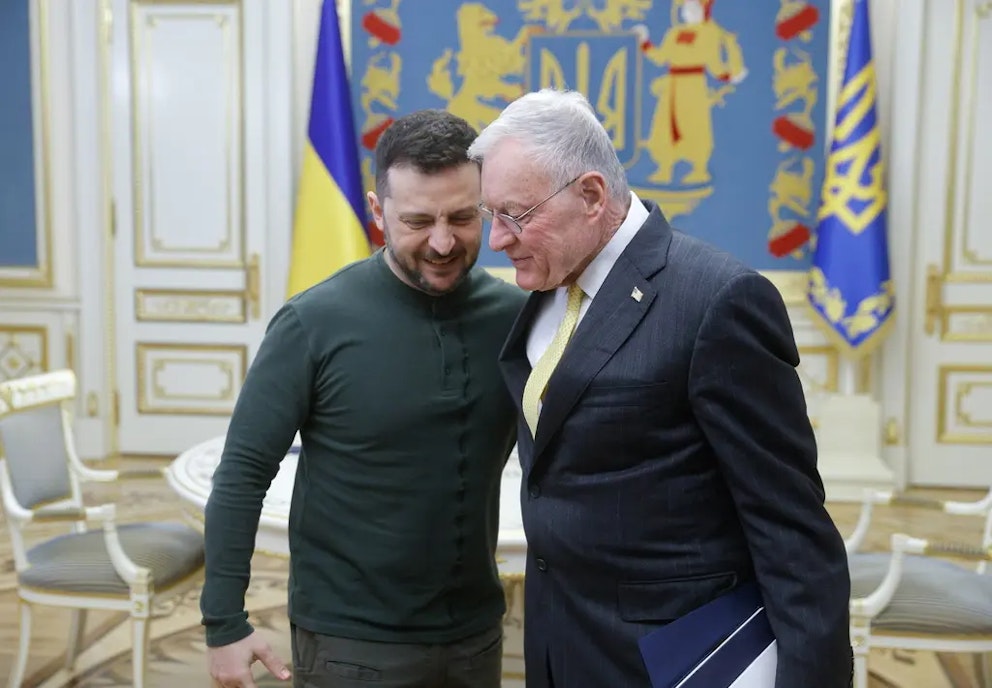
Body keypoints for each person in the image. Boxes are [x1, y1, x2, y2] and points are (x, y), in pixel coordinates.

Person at [467, 88, 853, 688]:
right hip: (558, 644)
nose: (497, 241)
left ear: (591, 196)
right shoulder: (548, 285)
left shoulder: (717, 300)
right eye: (493, 216)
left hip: (677, 661)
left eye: (515, 215)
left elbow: (790, 526)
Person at [201, 109, 527, 688]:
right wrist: (224, 623)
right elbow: (242, 475)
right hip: (352, 645)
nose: (443, 241)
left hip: (476, 634)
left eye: (462, 216)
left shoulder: (518, 318)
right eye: (418, 221)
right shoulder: (313, 323)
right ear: (377, 214)